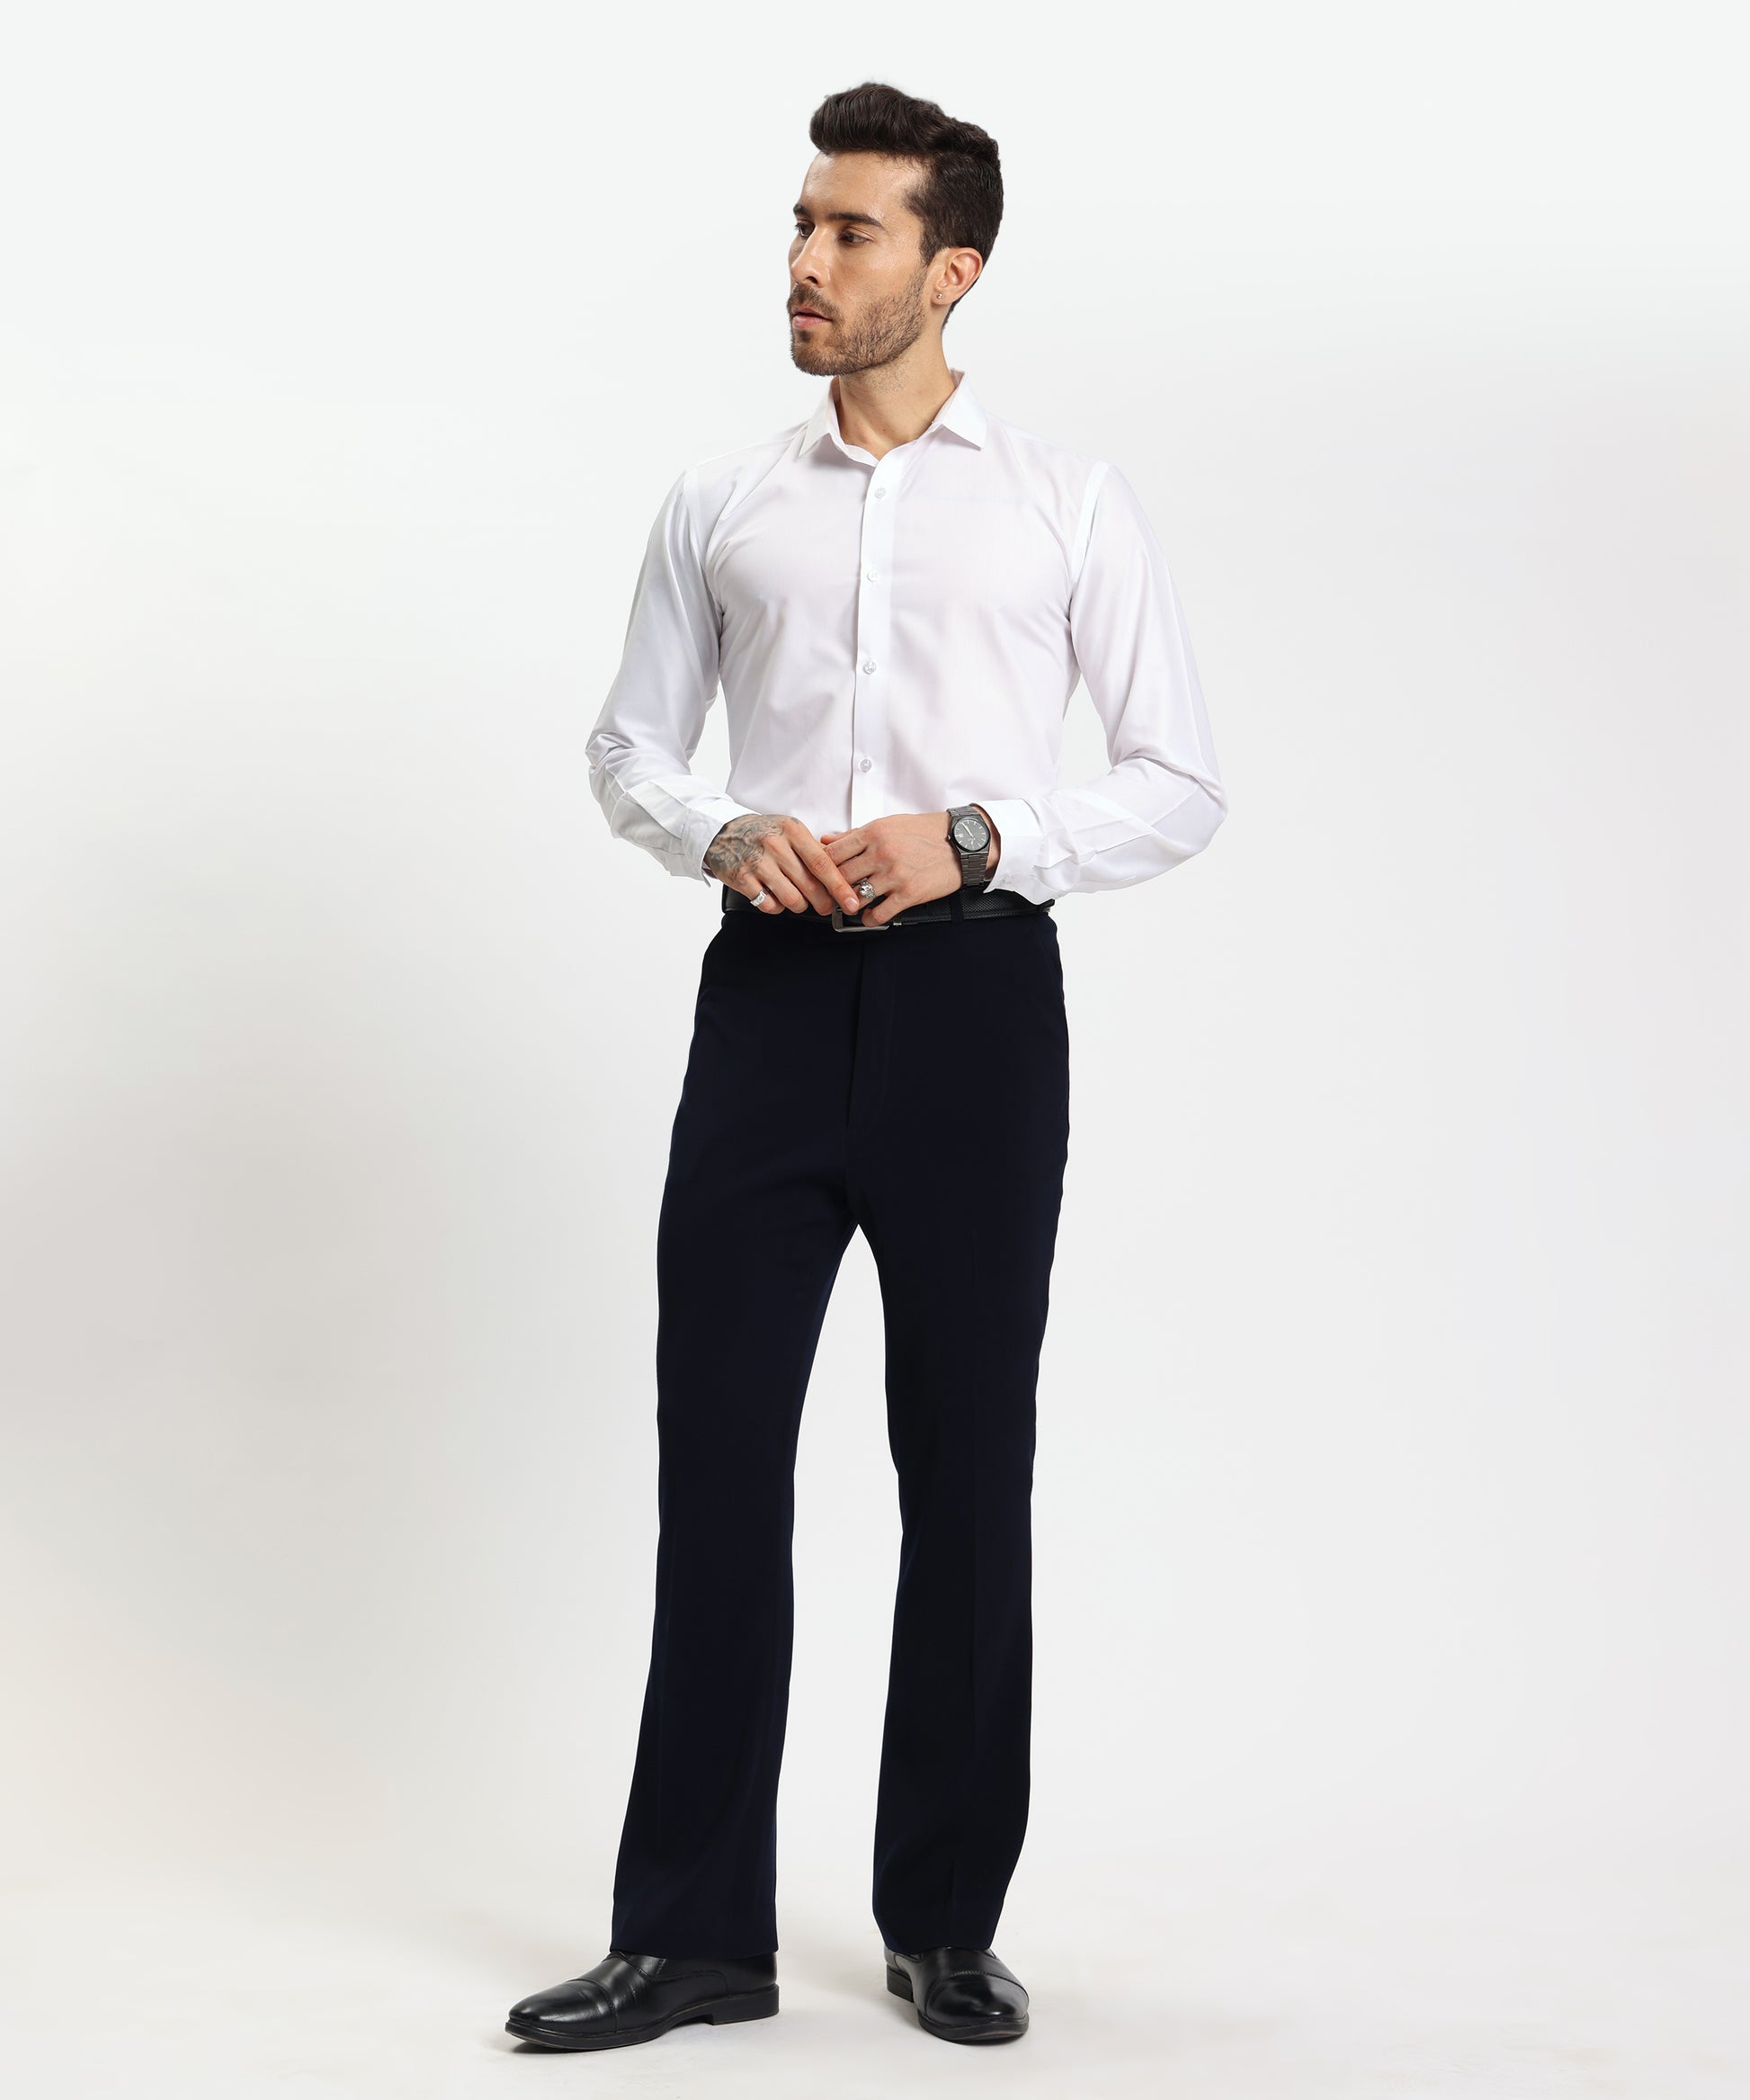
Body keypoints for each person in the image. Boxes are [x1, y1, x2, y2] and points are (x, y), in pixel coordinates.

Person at [505, 77, 1227, 2056]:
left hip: (974, 1012)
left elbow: (1178, 781)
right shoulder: (720, 501)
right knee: (719, 1460)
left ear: (951, 268)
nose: (806, 263)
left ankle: (945, 1921)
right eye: (800, 226)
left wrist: (980, 838)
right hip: (765, 1004)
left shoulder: (1067, 502)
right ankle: (689, 1936)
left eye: (850, 233)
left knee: (965, 1467)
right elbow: (629, 744)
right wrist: (723, 829)